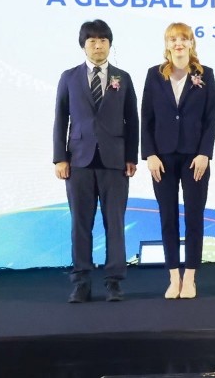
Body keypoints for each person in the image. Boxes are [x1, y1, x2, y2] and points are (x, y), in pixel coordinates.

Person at [52, 19, 139, 303]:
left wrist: (131, 157)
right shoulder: (69, 77)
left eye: (103, 40)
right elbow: (60, 119)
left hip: (115, 161)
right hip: (78, 160)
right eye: (92, 41)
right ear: (83, 45)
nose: (98, 45)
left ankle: (114, 281)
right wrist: (60, 158)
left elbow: (132, 120)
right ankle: (81, 282)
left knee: (114, 223)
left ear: (110, 45)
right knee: (80, 223)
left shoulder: (122, 78)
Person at [141, 22, 215, 299]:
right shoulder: (154, 74)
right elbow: (146, 117)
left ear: (191, 43)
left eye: (184, 38)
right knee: (167, 217)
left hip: (195, 157)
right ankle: (174, 277)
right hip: (162, 157)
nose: (178, 43)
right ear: (167, 44)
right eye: (173, 39)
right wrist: (149, 154)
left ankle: (190, 278)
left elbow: (211, 118)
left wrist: (204, 153)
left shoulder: (205, 74)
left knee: (194, 217)